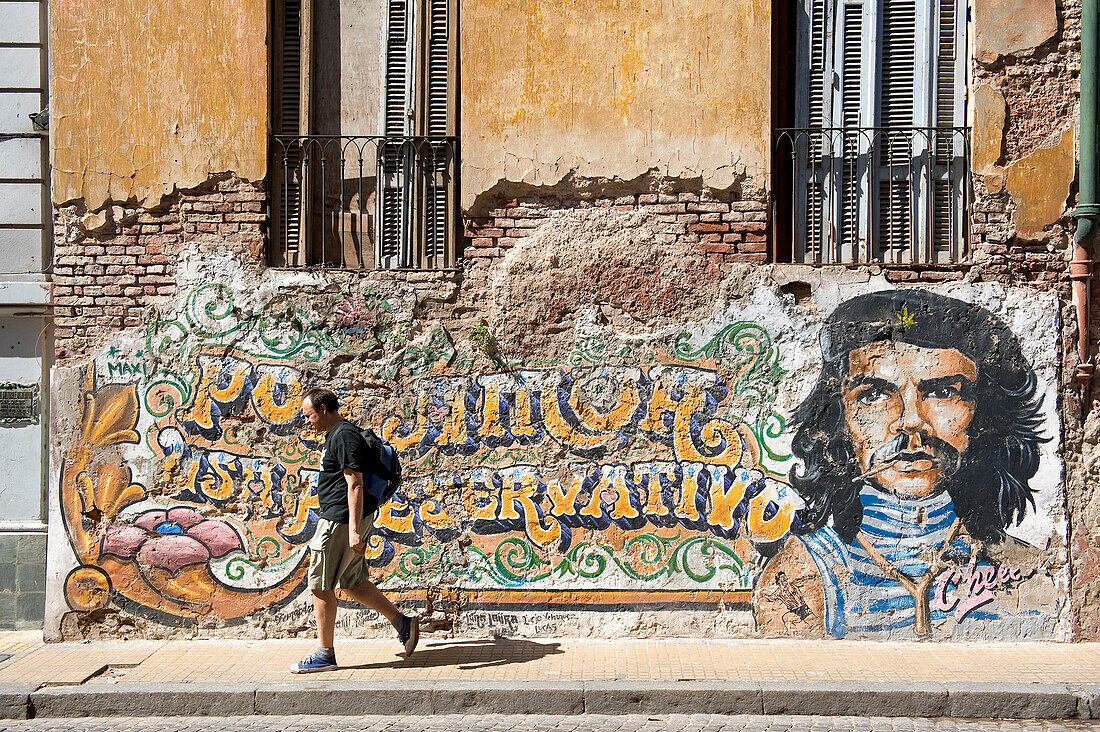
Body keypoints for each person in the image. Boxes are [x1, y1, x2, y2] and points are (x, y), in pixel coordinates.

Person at [754, 289, 1050, 639]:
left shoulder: (1024, 570)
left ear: (985, 414)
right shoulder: (804, 573)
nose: (911, 421)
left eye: (943, 393)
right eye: (875, 395)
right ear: (838, 418)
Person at [290, 387, 418, 673]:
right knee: (352, 582)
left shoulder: (344, 435)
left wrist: (353, 531)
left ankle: (325, 654)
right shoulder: (338, 435)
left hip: (339, 521)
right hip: (346, 520)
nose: (307, 421)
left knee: (320, 586)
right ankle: (403, 623)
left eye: (309, 415)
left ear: (323, 409)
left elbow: (356, 483)